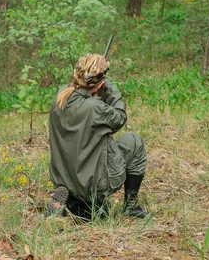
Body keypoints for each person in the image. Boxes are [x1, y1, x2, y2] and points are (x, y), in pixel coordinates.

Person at [47, 53, 148, 220]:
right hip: (92, 182)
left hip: (64, 176)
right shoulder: (95, 107)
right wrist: (109, 88)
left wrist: (93, 90)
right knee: (134, 142)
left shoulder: (60, 97)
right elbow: (120, 118)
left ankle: (70, 197)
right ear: (99, 81)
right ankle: (130, 206)